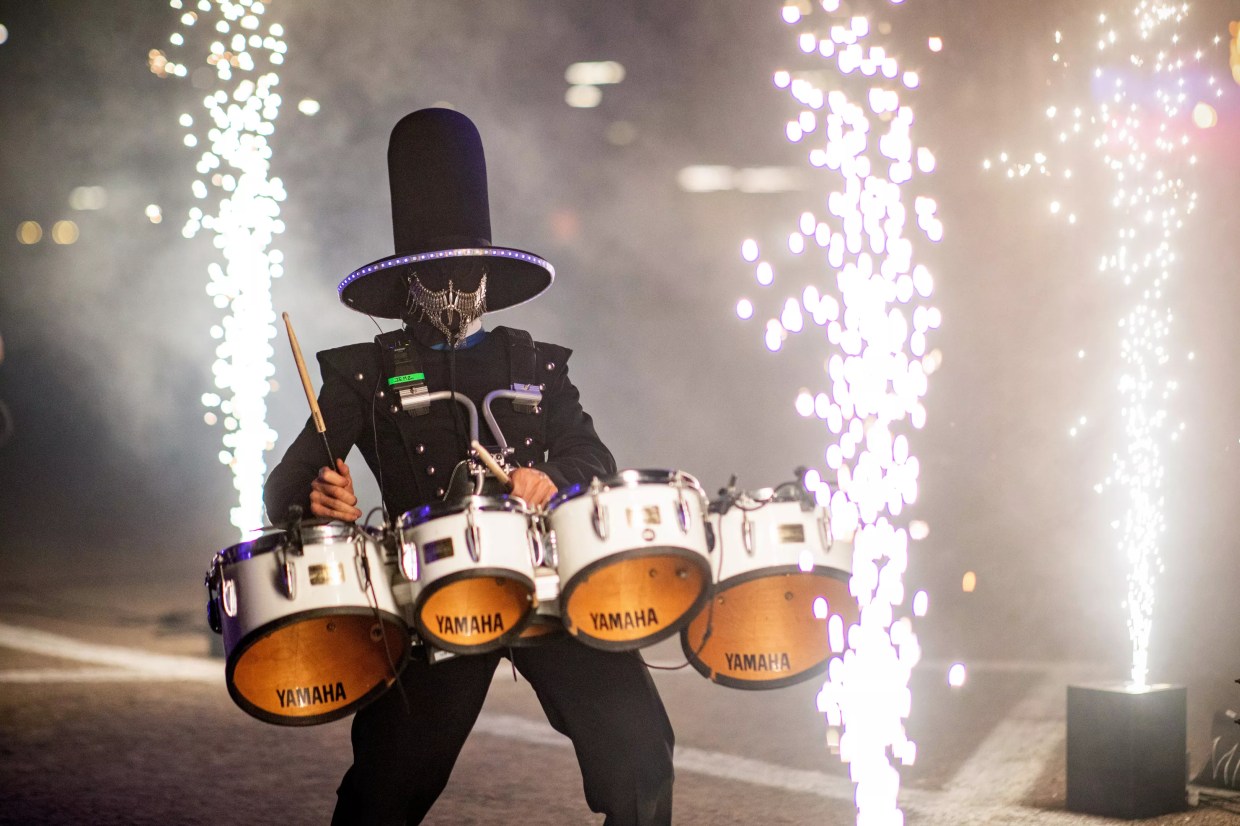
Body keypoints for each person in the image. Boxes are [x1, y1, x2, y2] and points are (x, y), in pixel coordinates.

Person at [263, 108, 675, 826]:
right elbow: (285, 489)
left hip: (550, 589)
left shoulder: (535, 362)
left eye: (466, 270)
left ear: (489, 272)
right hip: (433, 599)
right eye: (437, 272)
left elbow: (594, 457)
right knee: (385, 790)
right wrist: (318, 500)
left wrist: (552, 477)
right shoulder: (365, 373)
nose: (453, 287)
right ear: (407, 281)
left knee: (640, 750)